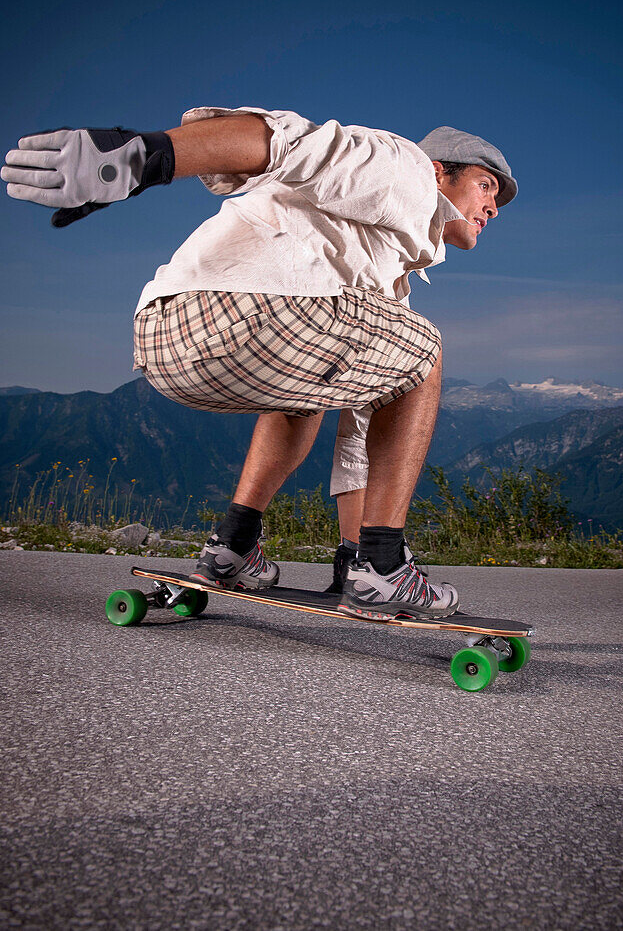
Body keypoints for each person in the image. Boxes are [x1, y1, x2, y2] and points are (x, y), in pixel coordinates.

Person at [2, 107, 517, 619]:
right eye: (487, 184)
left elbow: (361, 426)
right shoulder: (404, 169)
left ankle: (233, 545)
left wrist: (349, 552)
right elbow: (286, 142)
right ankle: (383, 567)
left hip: (165, 335)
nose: (494, 207)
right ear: (438, 171)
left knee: (319, 386)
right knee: (427, 351)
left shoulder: (377, 274)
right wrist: (146, 156)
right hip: (246, 308)